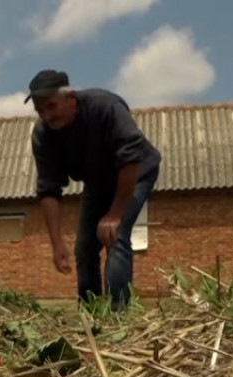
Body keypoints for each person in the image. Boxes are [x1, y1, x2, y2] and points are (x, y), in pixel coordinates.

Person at [26, 69, 161, 310]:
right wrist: (56, 244)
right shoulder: (43, 135)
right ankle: (90, 315)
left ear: (71, 98)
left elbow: (130, 159)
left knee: (114, 235)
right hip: (97, 182)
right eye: (40, 111)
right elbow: (48, 190)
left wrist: (115, 215)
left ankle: (118, 315)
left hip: (135, 173)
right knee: (84, 248)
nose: (46, 115)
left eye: (51, 106)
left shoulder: (105, 107)